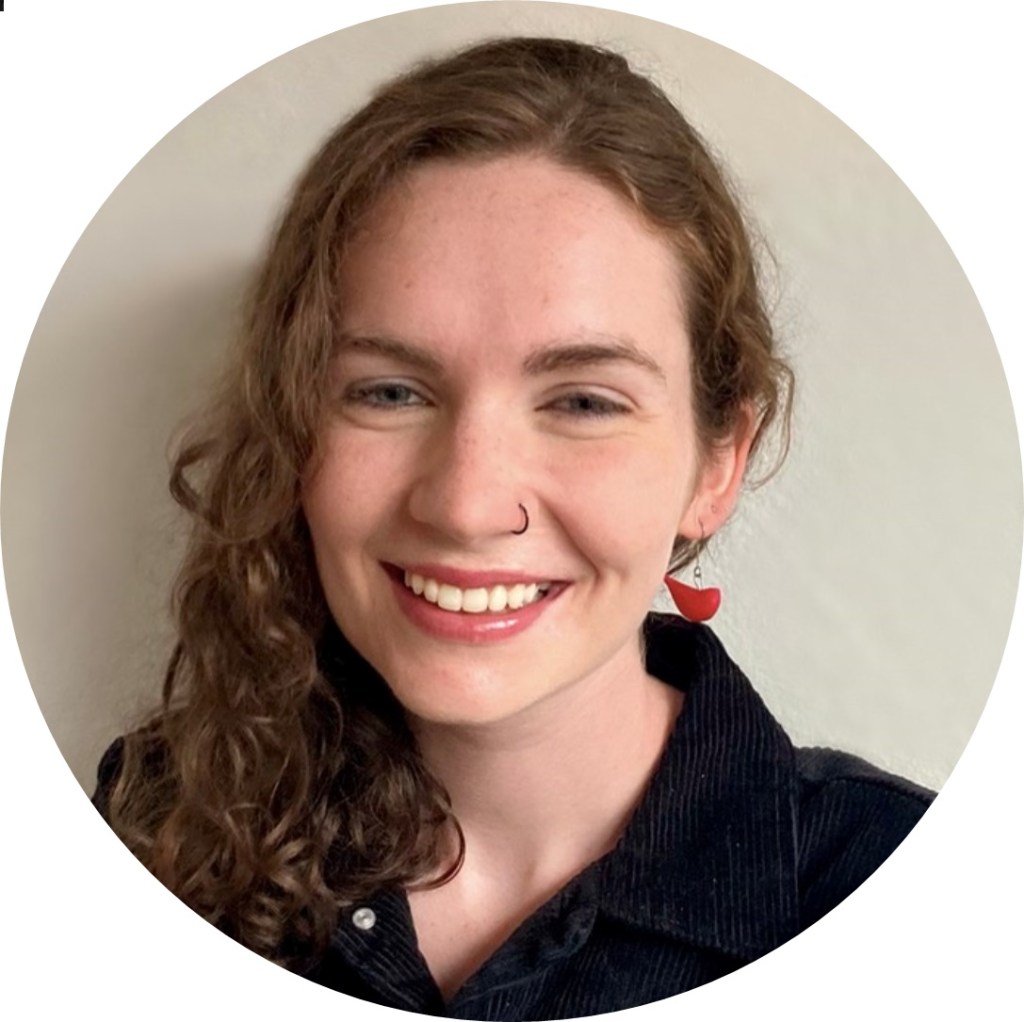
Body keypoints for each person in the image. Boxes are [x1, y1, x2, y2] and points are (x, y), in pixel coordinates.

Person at [93, 36, 933, 1018]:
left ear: (717, 464)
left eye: (582, 402)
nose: (465, 504)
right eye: (389, 391)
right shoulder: (156, 817)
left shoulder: (899, 892)